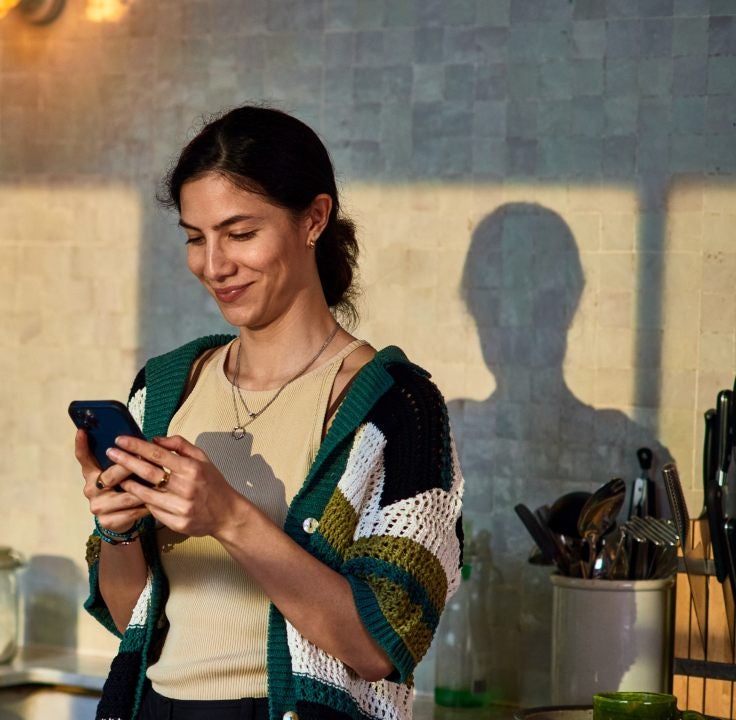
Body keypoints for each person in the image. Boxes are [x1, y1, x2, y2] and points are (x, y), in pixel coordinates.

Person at [74, 106, 465, 720]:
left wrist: (230, 517)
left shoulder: (396, 408)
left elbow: (380, 645)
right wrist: (117, 527)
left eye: (240, 233)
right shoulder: (164, 390)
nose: (213, 265)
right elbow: (132, 618)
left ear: (314, 219)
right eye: (194, 237)